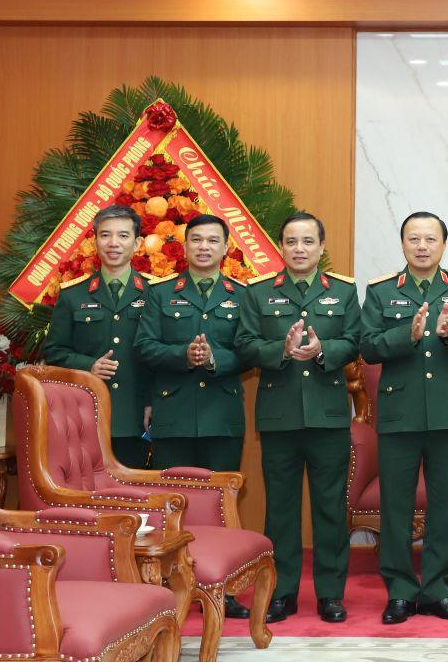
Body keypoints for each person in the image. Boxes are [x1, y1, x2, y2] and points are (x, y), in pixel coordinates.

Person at [360, 212, 448, 625]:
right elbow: (368, 347)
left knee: (445, 508)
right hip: (399, 415)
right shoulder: (381, 291)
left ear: (443, 245)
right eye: (413, 238)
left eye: (430, 239)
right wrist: (408, 336)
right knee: (395, 507)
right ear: (402, 244)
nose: (421, 246)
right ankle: (400, 591)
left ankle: (436, 590)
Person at [235, 211, 360, 624]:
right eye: (291, 241)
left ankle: (330, 595)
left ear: (321, 248)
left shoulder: (342, 291)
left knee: (330, 509)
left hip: (328, 417)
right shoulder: (259, 293)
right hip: (280, 417)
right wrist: (282, 351)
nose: (300, 249)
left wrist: (324, 350)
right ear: (281, 247)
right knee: (281, 510)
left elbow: (355, 340)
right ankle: (281, 592)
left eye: (308, 241)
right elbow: (244, 344)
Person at [135, 214, 251, 618]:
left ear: (226, 248)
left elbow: (249, 349)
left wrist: (215, 359)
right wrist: (183, 355)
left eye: (212, 241)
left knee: (220, 504)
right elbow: (144, 346)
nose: (204, 247)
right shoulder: (161, 293)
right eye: (196, 240)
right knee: (174, 503)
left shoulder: (241, 295)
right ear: (184, 247)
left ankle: (223, 589)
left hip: (222, 413)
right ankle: (172, 589)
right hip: (175, 412)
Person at [44, 204, 152, 468]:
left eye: (123, 235)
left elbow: (162, 354)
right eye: (105, 235)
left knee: (135, 489)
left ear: (137, 243)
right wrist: (88, 365)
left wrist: (154, 403)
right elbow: (54, 351)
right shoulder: (72, 295)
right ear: (95, 241)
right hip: (85, 415)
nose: (113, 243)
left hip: (136, 415)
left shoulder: (155, 293)